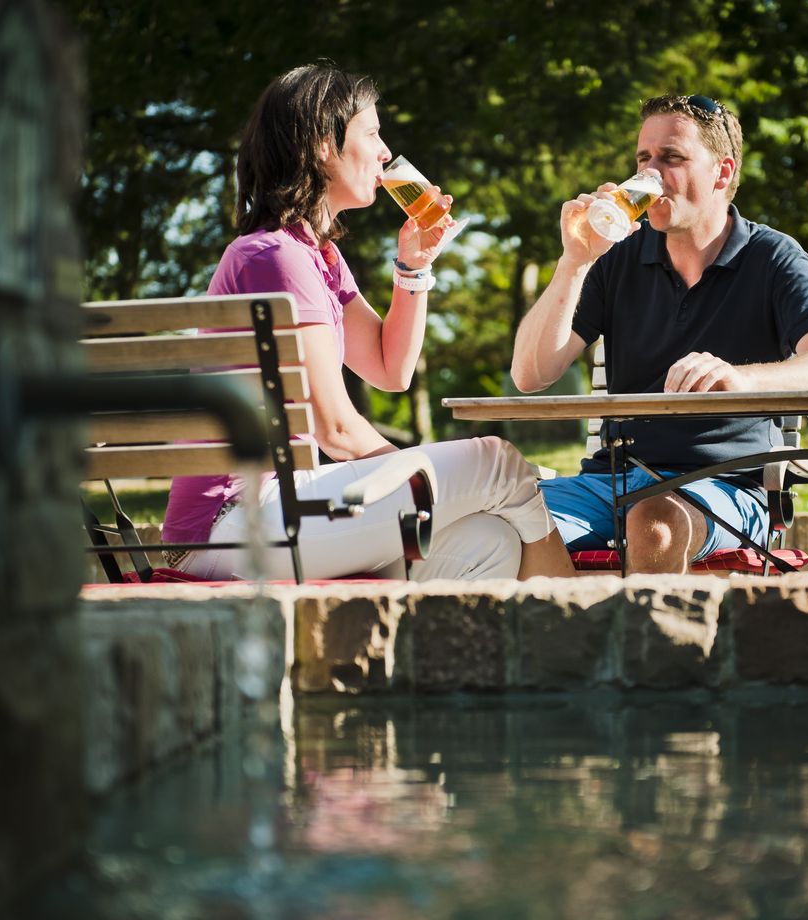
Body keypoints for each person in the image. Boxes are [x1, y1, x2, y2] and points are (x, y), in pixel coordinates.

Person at [162, 64, 575, 581]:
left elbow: (389, 370)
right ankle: (583, 639)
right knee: (498, 464)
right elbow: (335, 428)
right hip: (231, 522)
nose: (385, 152)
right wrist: (422, 474)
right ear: (320, 145)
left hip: (283, 515)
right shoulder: (273, 257)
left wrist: (414, 268)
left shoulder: (320, 258)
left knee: (487, 543)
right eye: (372, 133)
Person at [511, 94, 808, 573]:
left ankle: (651, 648)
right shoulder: (615, 257)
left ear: (721, 172)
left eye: (671, 158)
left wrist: (740, 379)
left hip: (726, 485)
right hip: (611, 481)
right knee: (504, 517)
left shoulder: (773, 257)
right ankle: (572, 644)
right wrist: (574, 261)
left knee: (655, 519)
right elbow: (530, 375)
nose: (650, 175)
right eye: (643, 158)